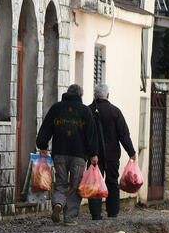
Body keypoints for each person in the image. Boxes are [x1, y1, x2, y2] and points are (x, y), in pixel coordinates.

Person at [36, 84, 98, 225]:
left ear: (67, 93)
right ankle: (69, 218)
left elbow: (46, 128)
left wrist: (42, 145)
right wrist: (93, 153)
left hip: (59, 153)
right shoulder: (85, 111)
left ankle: (58, 203)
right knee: (75, 186)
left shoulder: (56, 108)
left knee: (61, 183)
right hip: (79, 155)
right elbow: (91, 135)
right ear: (80, 95)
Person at [88, 83, 136, 220]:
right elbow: (123, 134)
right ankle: (112, 212)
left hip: (93, 155)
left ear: (94, 95)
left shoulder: (88, 110)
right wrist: (131, 152)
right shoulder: (115, 111)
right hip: (112, 155)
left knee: (95, 183)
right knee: (112, 182)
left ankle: (96, 214)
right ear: (107, 95)